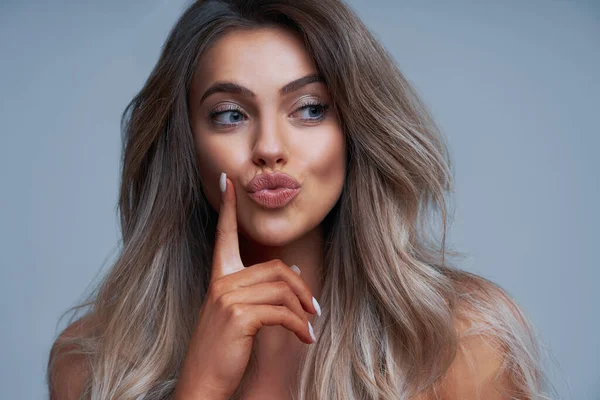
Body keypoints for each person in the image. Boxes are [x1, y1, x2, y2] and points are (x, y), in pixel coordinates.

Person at [46, 0, 555, 399]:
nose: (269, 147)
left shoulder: (459, 343)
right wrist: (198, 390)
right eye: (229, 114)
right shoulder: (92, 362)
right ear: (186, 144)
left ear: (355, 129)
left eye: (310, 109)